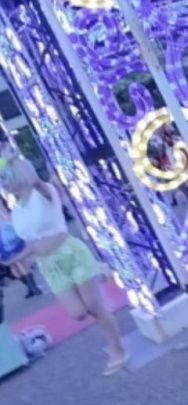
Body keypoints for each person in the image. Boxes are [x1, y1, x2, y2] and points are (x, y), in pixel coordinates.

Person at [0, 156, 128, 376]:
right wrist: (11, 261)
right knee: (78, 313)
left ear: (17, 175)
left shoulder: (43, 192)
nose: (2, 184)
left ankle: (118, 350)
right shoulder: (17, 212)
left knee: (95, 307)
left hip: (71, 254)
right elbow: (31, 244)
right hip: (49, 266)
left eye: (4, 178)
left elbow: (41, 185)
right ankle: (99, 273)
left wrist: (21, 168)